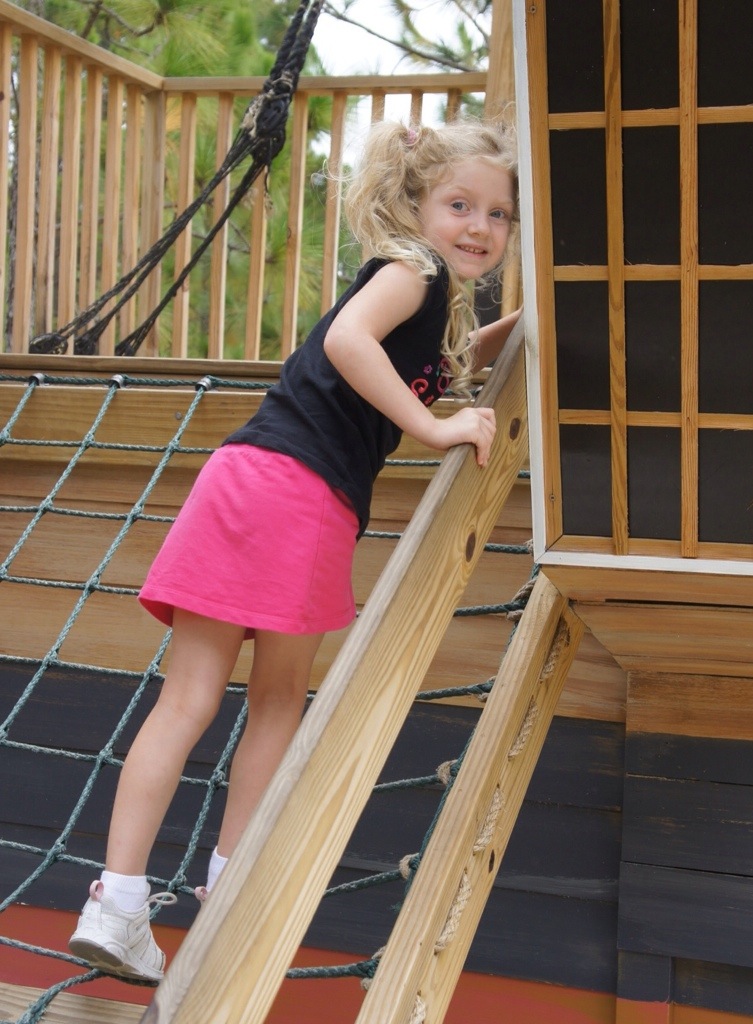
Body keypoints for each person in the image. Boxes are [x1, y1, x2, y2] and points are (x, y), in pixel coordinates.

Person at [68, 116, 521, 982]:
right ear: (415, 203)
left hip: (240, 476)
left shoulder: (420, 290)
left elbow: (443, 360)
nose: (479, 227)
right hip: (302, 494)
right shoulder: (415, 272)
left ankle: (116, 905)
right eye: (460, 205)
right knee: (276, 699)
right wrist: (434, 429)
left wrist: (519, 327)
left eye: (498, 215)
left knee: (186, 700)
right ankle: (228, 895)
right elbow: (350, 342)